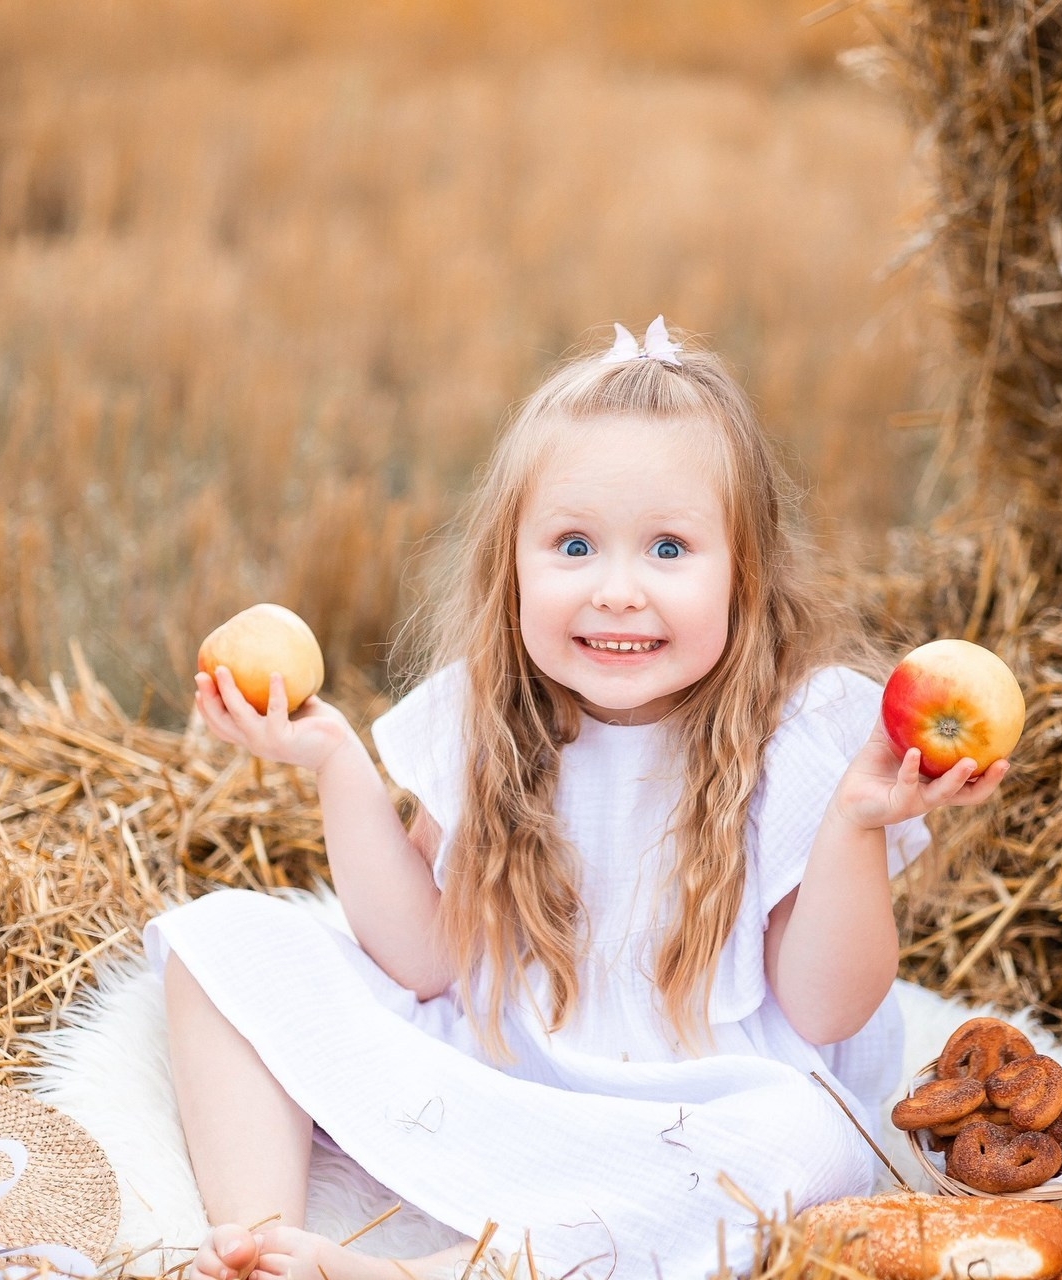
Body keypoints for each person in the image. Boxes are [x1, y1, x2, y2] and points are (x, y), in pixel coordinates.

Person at [147, 318, 1010, 1280]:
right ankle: (256, 1242)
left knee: (802, 1141)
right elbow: (428, 961)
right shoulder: (490, 711)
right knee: (222, 939)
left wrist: (852, 825)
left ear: (746, 575)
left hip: (695, 1119)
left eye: (670, 549)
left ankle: (440, 1271)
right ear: (511, 564)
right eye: (573, 545)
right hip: (498, 1086)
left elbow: (826, 1011)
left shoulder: (799, 730)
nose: (617, 591)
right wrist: (336, 764)